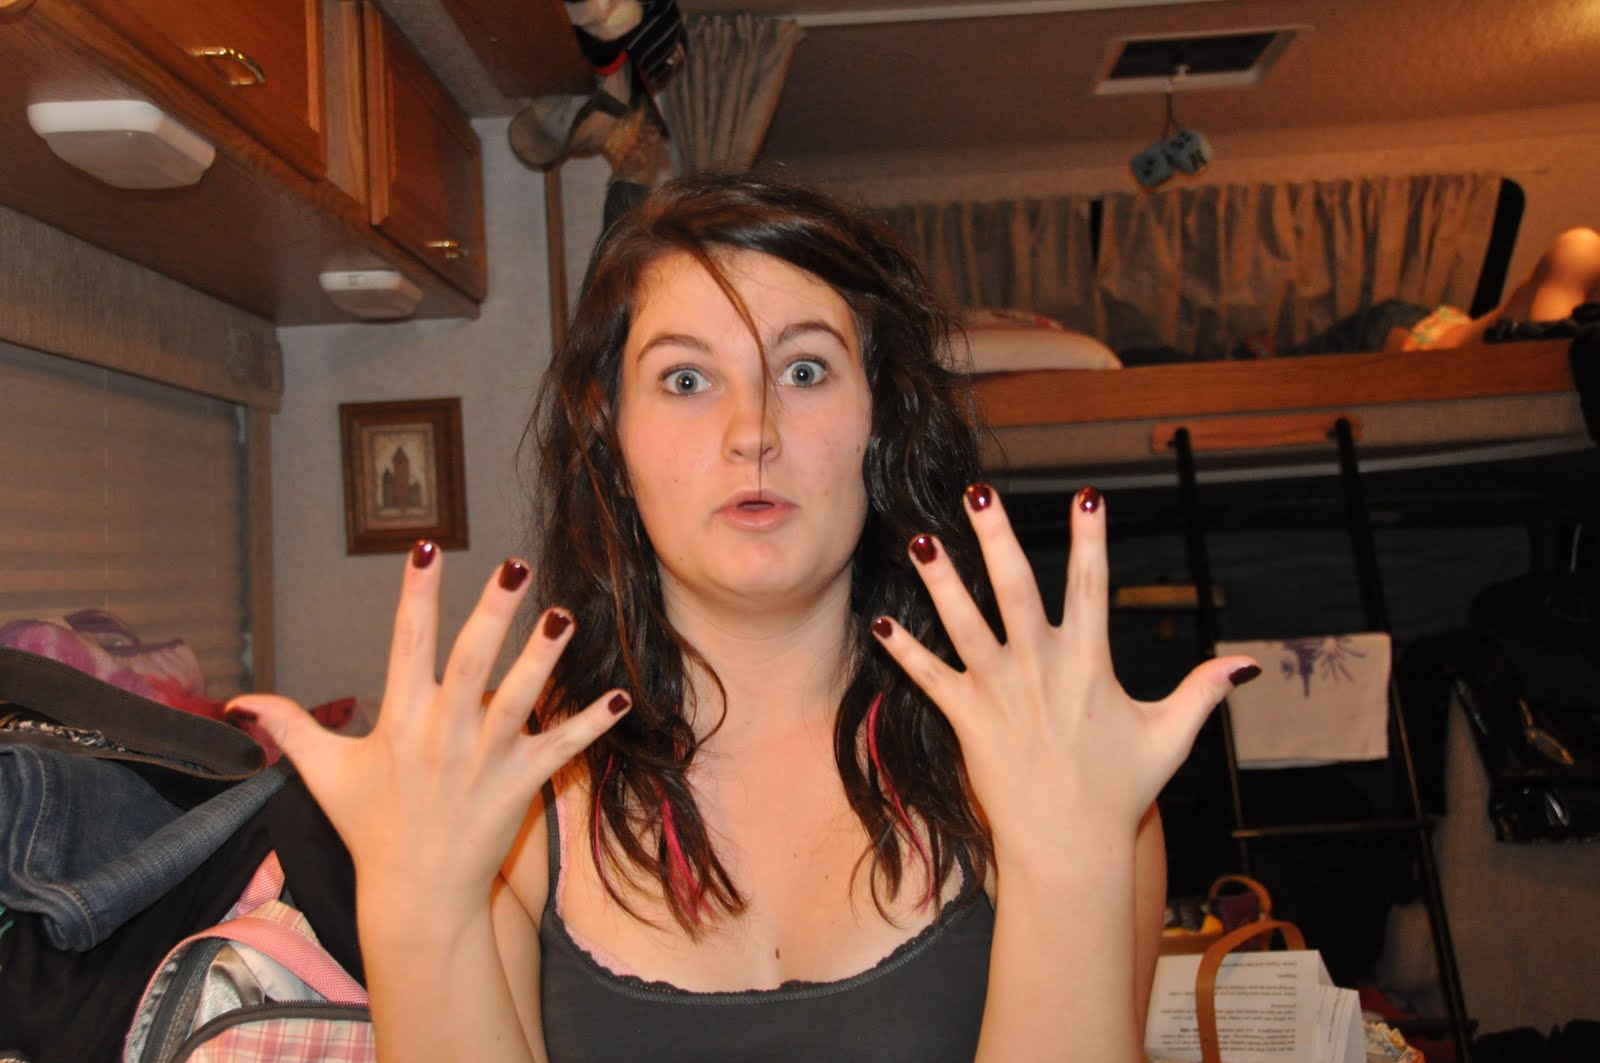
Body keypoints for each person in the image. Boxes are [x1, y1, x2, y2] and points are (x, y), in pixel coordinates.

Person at [227, 171, 1259, 1062]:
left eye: (804, 370)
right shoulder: (508, 793)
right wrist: (415, 907)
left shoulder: (1059, 765)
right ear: (613, 446)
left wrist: (1073, 854)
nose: (751, 428)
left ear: (881, 425)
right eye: (685, 379)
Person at [1250, 225, 1600, 358]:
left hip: (1436, 343)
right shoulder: (1582, 250)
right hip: (1410, 337)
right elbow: (1545, 368)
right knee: (1278, 375)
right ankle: (1262, 354)